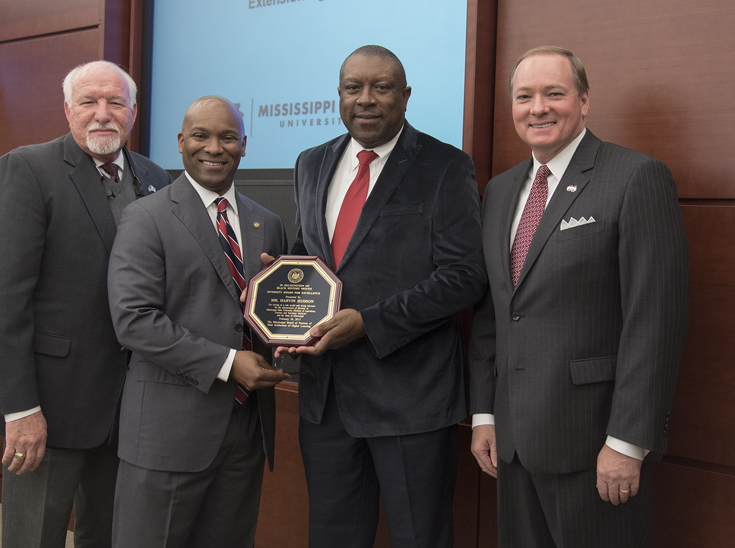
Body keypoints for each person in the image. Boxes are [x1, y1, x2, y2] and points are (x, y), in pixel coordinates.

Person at [468, 46, 689, 547]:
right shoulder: (499, 192)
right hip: (512, 447)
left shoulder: (635, 177)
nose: (538, 108)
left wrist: (627, 443)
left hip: (593, 447)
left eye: (554, 93)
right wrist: (484, 413)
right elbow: (494, 313)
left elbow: (655, 321)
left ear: (584, 101)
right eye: (525, 96)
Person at [282, 45, 486, 547]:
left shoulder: (444, 165)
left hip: (410, 401)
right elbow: (311, 253)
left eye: (382, 87)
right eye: (354, 88)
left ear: (406, 96)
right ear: (339, 95)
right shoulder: (311, 162)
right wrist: (282, 283)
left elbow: (465, 275)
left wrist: (370, 322)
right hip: (326, 401)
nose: (366, 100)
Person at [0, 60, 172, 546]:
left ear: (134, 111)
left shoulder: (157, 177)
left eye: (115, 102)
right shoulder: (26, 168)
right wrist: (20, 409)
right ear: (67, 110)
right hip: (49, 410)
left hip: (133, 409)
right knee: (33, 537)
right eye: (88, 102)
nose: (102, 114)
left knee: (108, 535)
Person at [106, 96, 291, 547]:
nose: (215, 147)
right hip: (167, 434)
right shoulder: (145, 216)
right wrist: (229, 363)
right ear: (180, 142)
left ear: (244, 144)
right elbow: (134, 320)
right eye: (201, 136)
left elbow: (274, 313)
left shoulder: (266, 223)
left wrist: (287, 326)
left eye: (228, 136)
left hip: (246, 432)